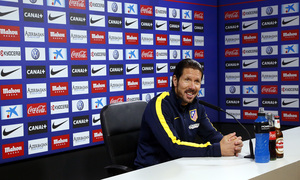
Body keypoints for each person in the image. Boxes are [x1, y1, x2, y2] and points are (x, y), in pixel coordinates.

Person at [134, 59, 243, 168]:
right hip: (152, 171)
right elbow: (174, 147)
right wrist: (217, 149)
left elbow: (211, 135)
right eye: (187, 80)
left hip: (180, 167)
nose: (192, 87)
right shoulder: (160, 105)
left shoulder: (196, 105)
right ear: (175, 81)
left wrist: (231, 144)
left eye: (197, 81)